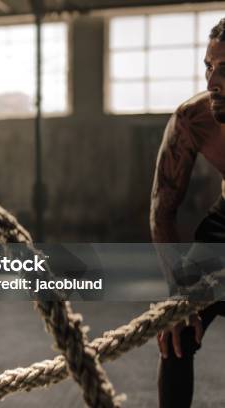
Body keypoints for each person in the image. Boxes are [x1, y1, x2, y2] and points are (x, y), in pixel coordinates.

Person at [150, 18, 225, 408]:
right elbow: (163, 212)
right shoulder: (193, 119)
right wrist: (178, 297)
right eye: (208, 66)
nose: (212, 82)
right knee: (174, 333)